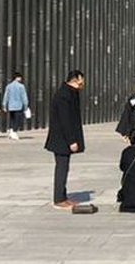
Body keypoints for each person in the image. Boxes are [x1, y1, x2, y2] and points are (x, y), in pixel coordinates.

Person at [45, 70, 86, 210]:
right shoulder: (64, 95)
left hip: (63, 138)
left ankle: (63, 197)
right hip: (61, 139)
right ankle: (58, 199)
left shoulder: (71, 93)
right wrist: (71, 140)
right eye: (81, 80)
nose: (83, 83)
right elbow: (65, 120)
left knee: (64, 167)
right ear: (75, 79)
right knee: (61, 168)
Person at [2, 72, 29, 140]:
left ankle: (11, 131)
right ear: (17, 78)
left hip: (11, 106)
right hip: (18, 106)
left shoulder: (9, 86)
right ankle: (14, 132)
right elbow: (24, 97)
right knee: (17, 120)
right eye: (20, 77)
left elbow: (6, 96)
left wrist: (4, 105)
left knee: (12, 119)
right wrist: (26, 105)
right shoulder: (21, 86)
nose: (21, 78)